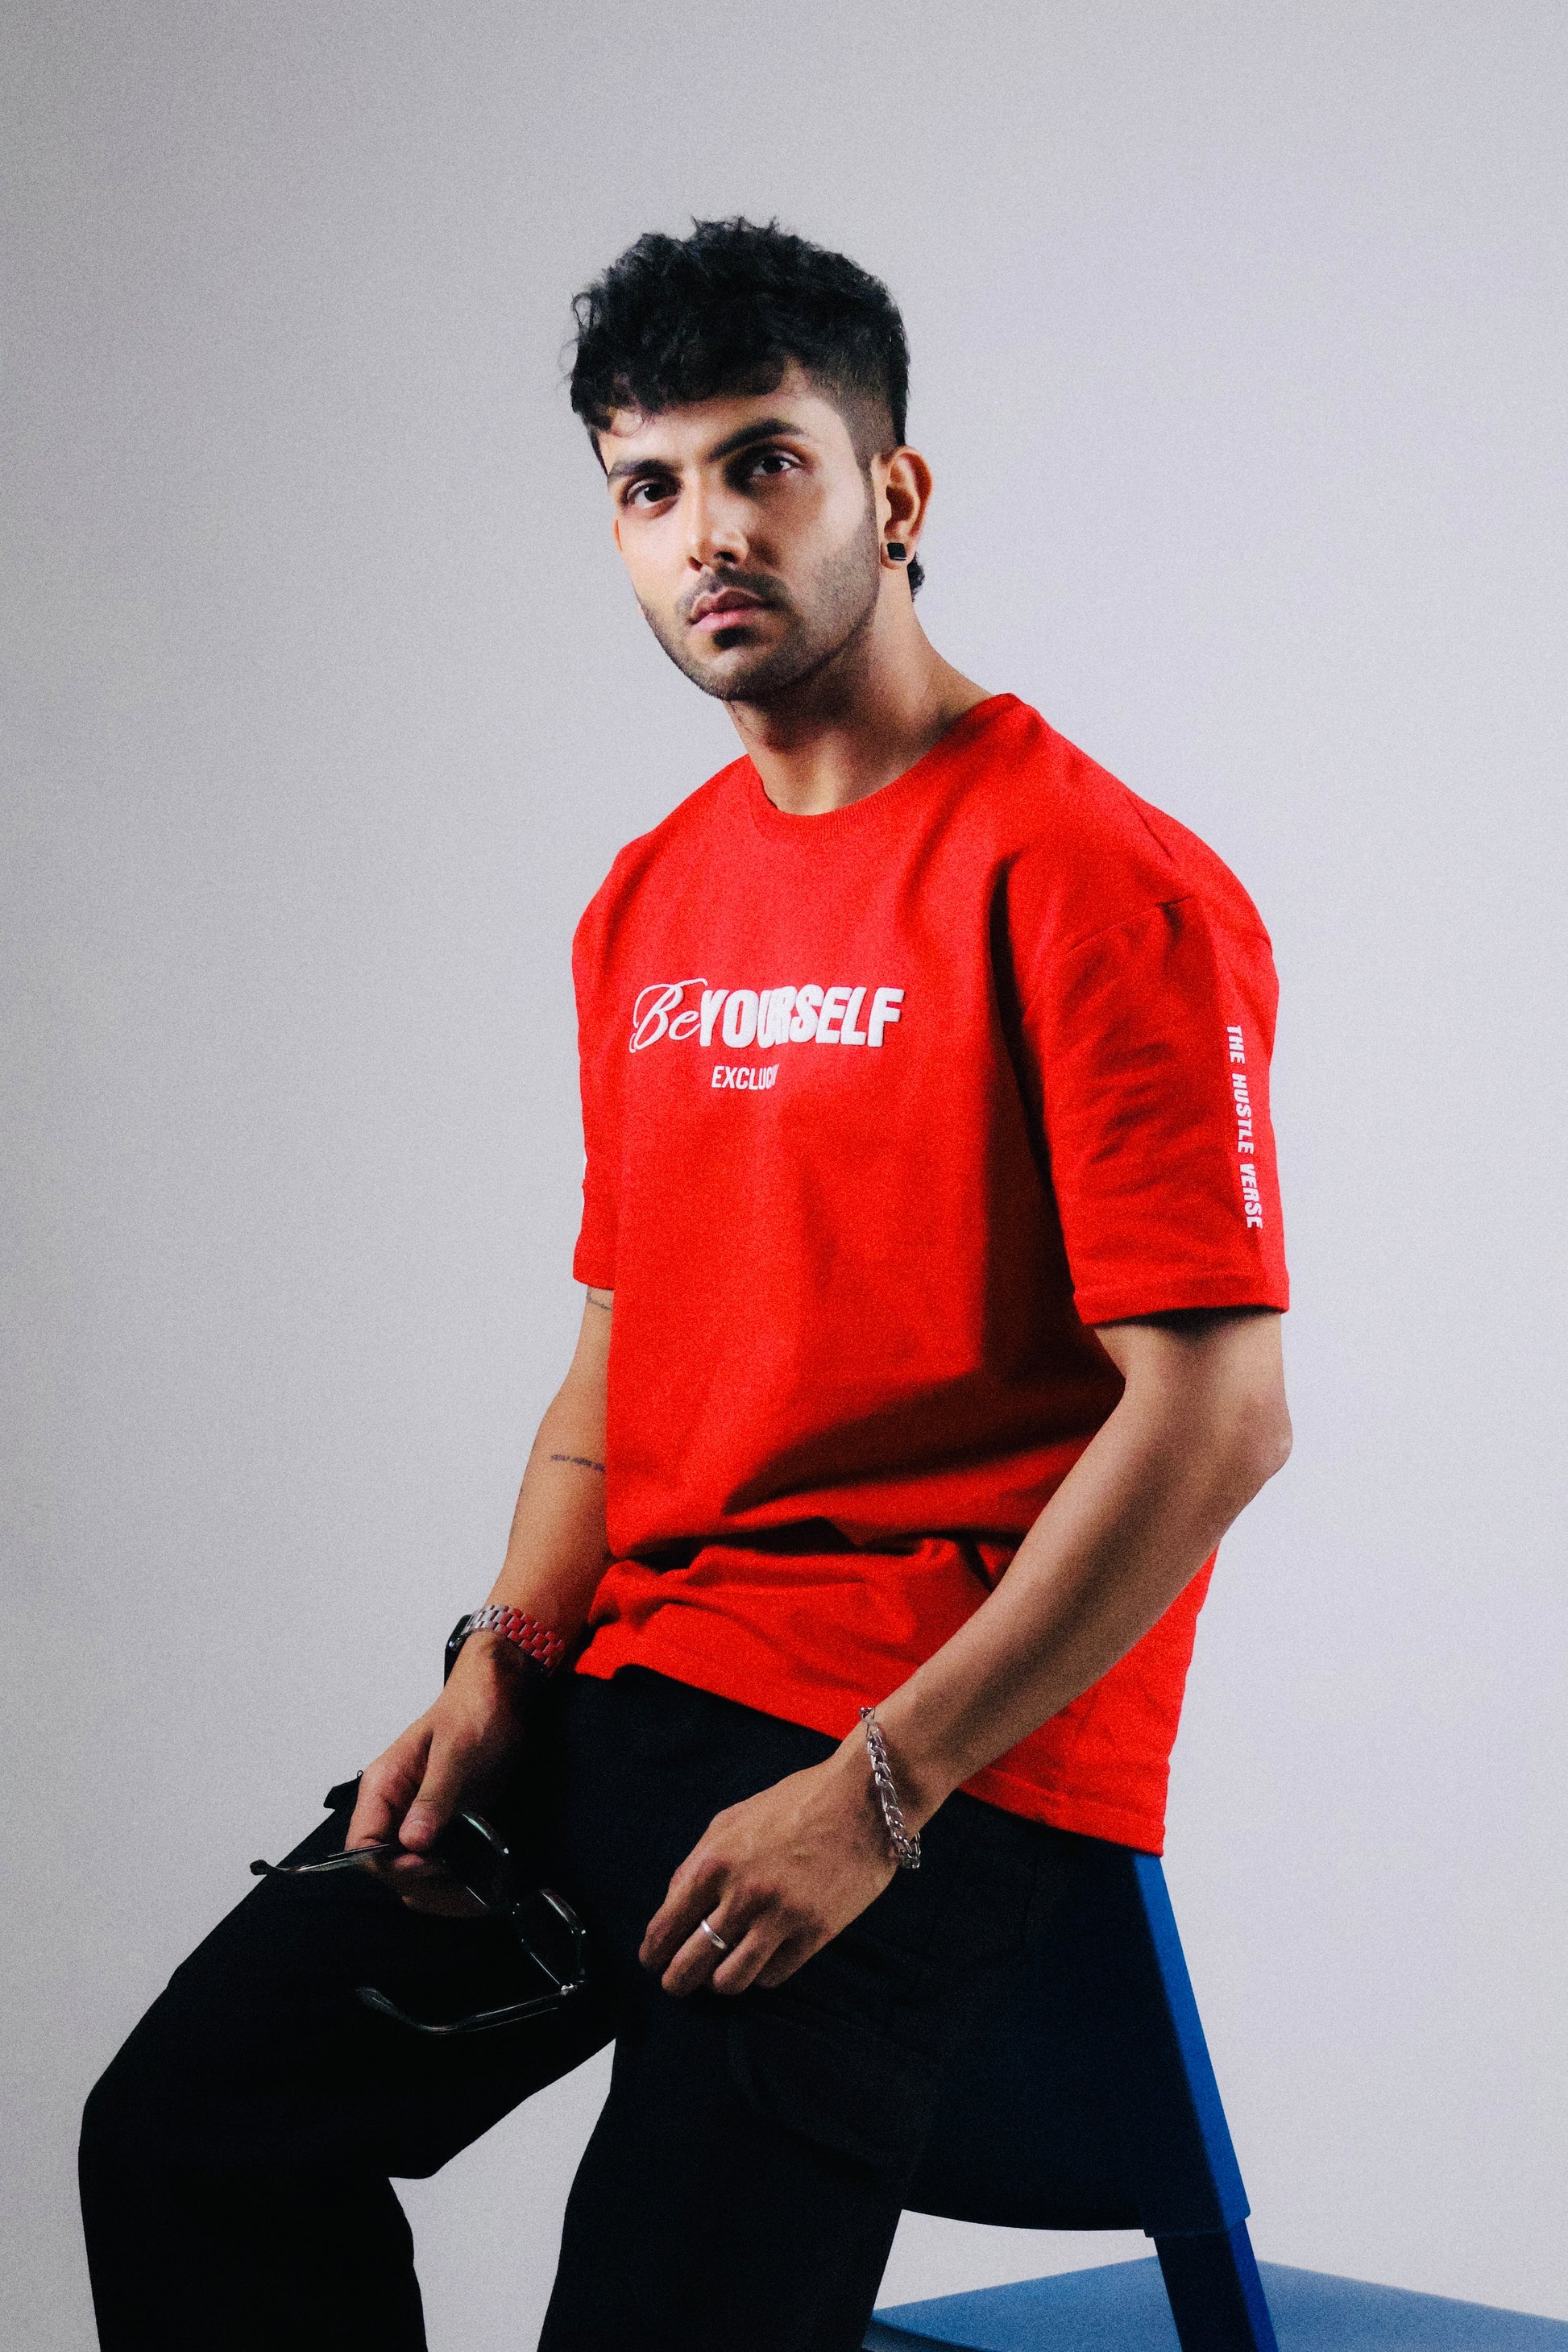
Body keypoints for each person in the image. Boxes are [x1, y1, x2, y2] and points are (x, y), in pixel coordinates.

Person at [79, 217, 1292, 2352]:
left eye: (763, 464)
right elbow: (616, 1358)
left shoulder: (1096, 883)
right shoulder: (649, 900)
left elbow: (1215, 1418)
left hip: (927, 1733)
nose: (704, 531)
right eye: (647, 487)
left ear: (893, 493)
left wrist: (880, 1795)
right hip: (634, 1690)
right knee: (193, 2131)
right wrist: (503, 1655)